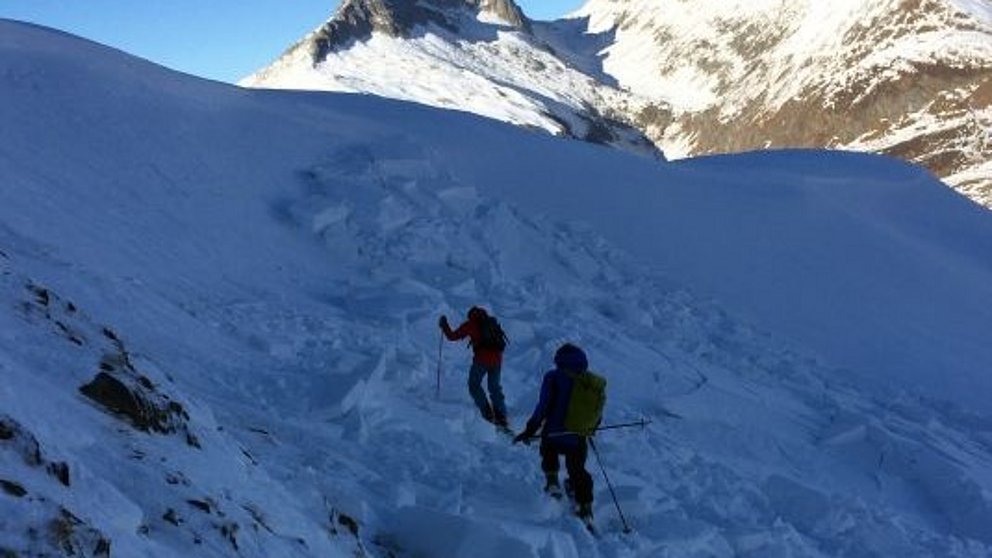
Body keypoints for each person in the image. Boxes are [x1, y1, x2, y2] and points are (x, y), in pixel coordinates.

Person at [513, 343, 596, 520]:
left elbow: (542, 407)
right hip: (578, 437)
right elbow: (596, 410)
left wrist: (530, 429)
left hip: (553, 434)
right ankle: (586, 507)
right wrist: (591, 428)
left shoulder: (553, 378)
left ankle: (552, 482)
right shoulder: (591, 381)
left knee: (548, 452)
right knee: (577, 469)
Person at [439, 306, 509, 427]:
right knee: (494, 388)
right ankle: (501, 416)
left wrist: (444, 325)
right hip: (497, 360)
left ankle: (487, 412)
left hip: (482, 360)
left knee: (474, 385)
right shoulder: (491, 321)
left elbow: (452, 336)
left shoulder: (471, 324)